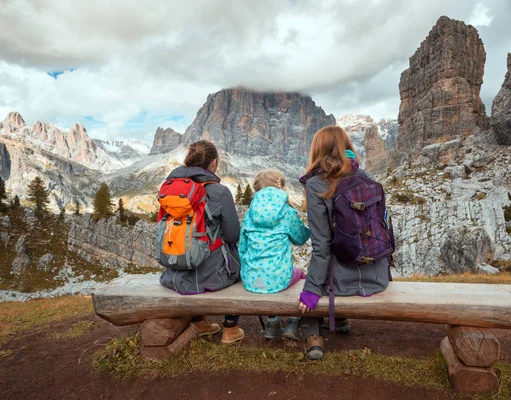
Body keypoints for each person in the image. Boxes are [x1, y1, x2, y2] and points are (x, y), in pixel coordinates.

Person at [297, 126, 390, 360]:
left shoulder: (316, 184)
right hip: (377, 278)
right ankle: (340, 319)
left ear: (318, 150)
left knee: (308, 284)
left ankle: (314, 332)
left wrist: (311, 292)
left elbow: (322, 245)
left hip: (340, 284)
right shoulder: (365, 176)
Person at [158, 140, 244, 344]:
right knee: (237, 266)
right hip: (211, 276)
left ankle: (199, 321)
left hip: (174, 272)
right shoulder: (219, 192)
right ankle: (230, 328)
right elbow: (233, 235)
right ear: (213, 163)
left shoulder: (170, 189)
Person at [239, 170, 310, 340]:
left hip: (251, 279)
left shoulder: (249, 214)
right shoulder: (287, 213)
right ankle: (293, 320)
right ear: (282, 187)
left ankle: (272, 323)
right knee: (300, 274)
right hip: (278, 279)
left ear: (257, 191)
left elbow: (242, 248)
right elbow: (301, 238)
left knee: (268, 277)